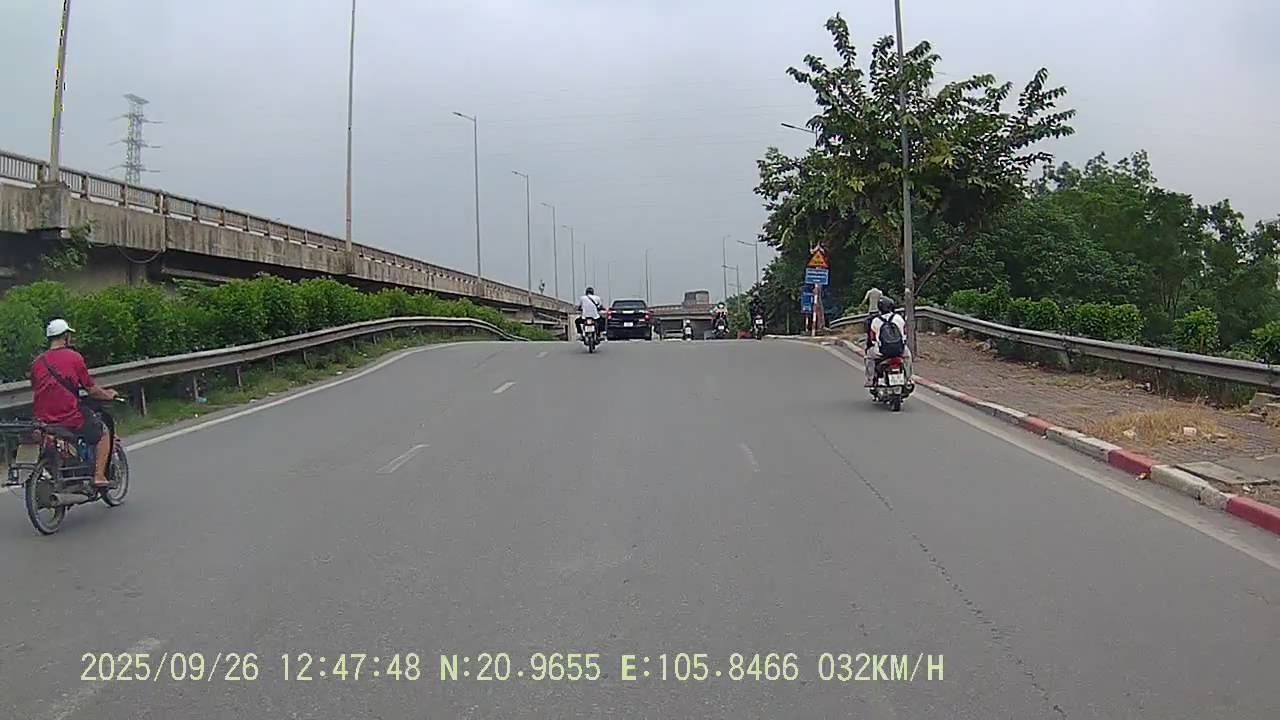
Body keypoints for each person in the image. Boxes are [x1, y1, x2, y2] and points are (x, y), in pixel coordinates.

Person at [30, 319, 118, 487]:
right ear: (65, 336)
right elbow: (91, 389)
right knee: (103, 432)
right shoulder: (74, 357)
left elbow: (36, 387)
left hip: (42, 419)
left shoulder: (37, 362)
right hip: (68, 416)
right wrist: (108, 394)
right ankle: (99, 476)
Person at [865, 296, 912, 387]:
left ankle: (870, 379)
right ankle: (908, 379)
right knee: (908, 357)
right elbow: (904, 335)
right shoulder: (898, 318)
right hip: (899, 350)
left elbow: (873, 339)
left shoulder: (875, 321)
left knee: (869, 356)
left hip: (881, 352)